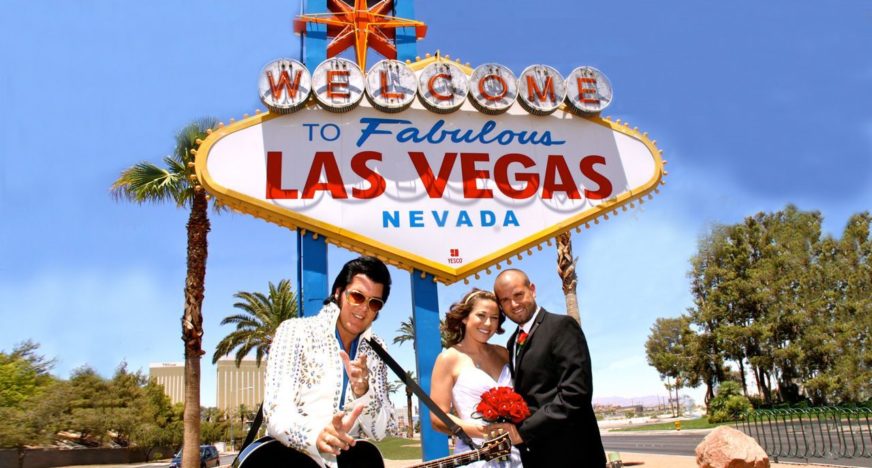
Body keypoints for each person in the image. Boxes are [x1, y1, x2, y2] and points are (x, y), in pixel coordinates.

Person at [264, 256, 397, 468]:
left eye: (374, 303)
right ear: (338, 293)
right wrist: (316, 435)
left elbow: (379, 431)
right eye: (357, 296)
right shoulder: (295, 332)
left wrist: (363, 393)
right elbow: (275, 411)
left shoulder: (377, 350)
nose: (364, 308)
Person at [489, 269, 606, 468]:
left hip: (574, 455)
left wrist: (522, 432)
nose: (514, 304)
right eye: (505, 300)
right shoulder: (512, 342)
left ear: (532, 290)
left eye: (518, 295)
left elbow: (575, 394)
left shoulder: (561, 327)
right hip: (536, 457)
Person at [429, 289, 524, 467]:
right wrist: (486, 432)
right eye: (481, 315)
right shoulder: (449, 358)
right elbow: (437, 418)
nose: (488, 323)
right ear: (465, 317)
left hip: (515, 455)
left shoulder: (503, 353)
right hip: (476, 456)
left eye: (494, 318)